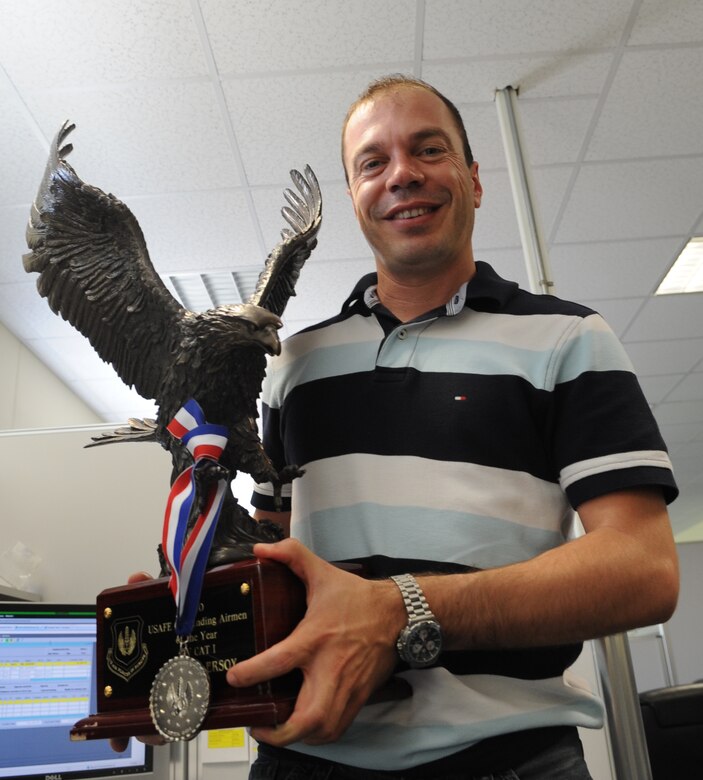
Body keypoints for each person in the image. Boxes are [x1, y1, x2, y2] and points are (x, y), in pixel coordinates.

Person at [224, 75, 679, 779]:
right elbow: (274, 558)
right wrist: (193, 607)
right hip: (303, 758)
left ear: (472, 180)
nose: (401, 174)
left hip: (509, 759)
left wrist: (399, 609)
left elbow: (641, 570)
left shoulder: (568, 340)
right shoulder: (292, 366)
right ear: (354, 198)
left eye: (427, 150)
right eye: (372, 163)